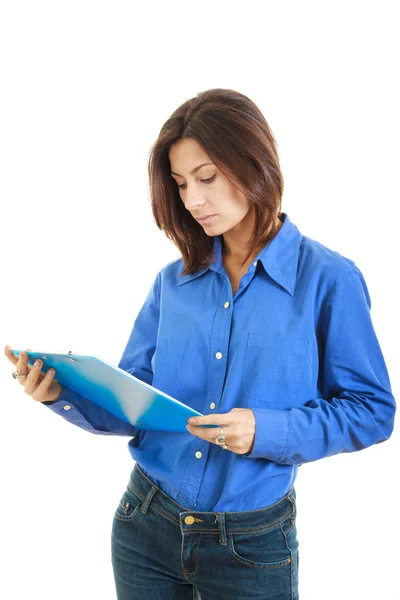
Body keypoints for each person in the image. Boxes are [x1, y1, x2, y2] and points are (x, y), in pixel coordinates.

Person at [5, 88, 396, 600]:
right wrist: (62, 393)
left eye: (207, 177)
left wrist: (264, 430)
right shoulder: (173, 283)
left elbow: (372, 411)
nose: (192, 200)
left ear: (254, 162)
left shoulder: (329, 280)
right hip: (145, 525)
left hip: (251, 547)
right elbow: (134, 404)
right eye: (181, 183)